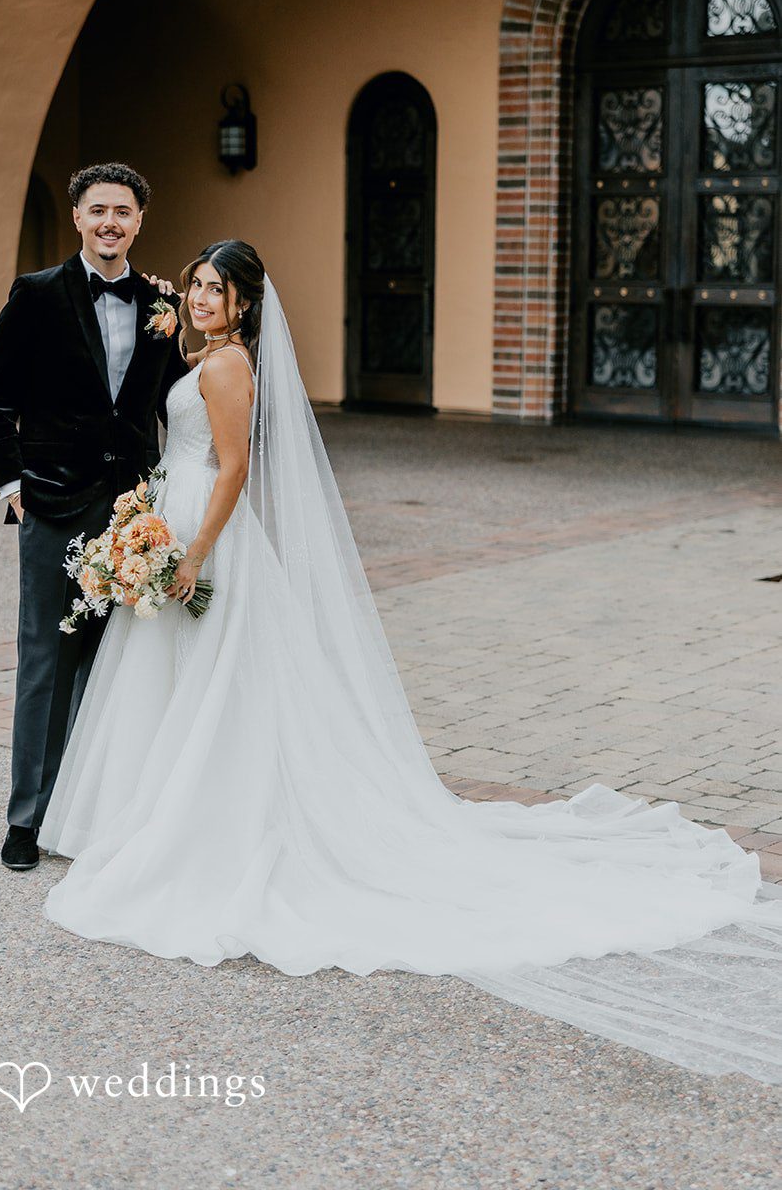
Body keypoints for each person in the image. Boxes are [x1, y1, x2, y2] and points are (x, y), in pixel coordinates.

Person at [38, 240, 782, 1084]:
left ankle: (203, 823)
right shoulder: (205, 356)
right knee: (179, 683)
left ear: (246, 304)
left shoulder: (228, 367)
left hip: (206, 540)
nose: (204, 298)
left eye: (219, 290)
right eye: (199, 286)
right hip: (170, 520)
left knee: (220, 688)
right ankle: (150, 812)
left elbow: (235, 467)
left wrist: (196, 553)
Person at [0, 163, 187, 872]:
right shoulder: (35, 295)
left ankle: (95, 810)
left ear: (139, 221)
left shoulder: (163, 304)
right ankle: (25, 819)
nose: (109, 222)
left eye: (122, 212)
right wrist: (11, 484)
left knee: (115, 659)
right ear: (76, 217)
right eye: (97, 210)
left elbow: (174, 403)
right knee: (45, 660)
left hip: (132, 507)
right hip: (51, 499)